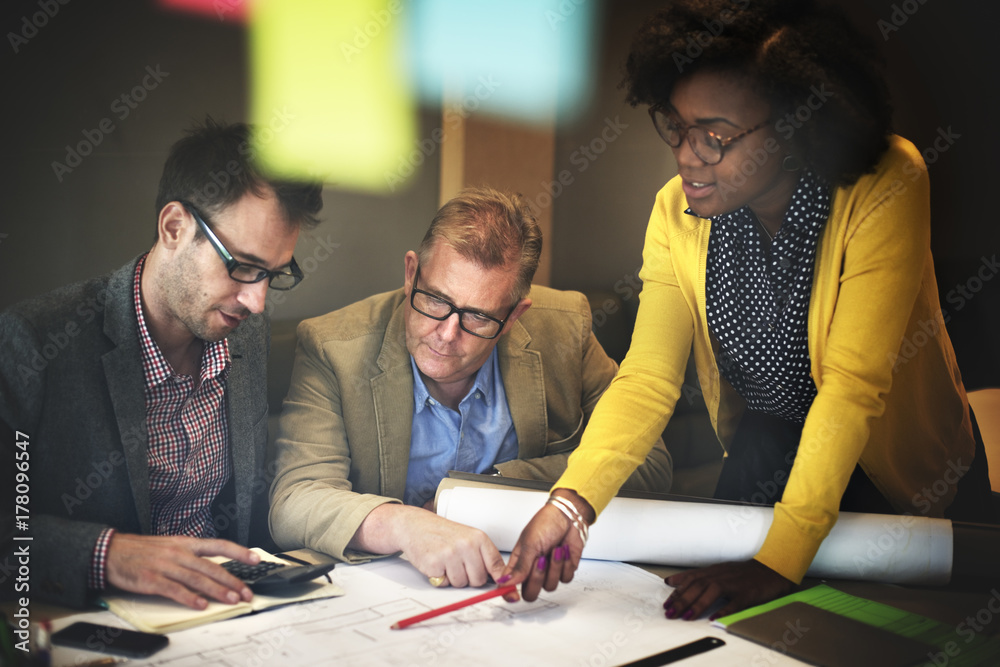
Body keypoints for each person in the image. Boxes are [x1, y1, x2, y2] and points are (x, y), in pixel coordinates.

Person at [500, 0, 993, 619]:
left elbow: (851, 387)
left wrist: (779, 560)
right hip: (767, 453)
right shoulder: (675, 210)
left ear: (795, 128)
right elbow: (649, 378)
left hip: (895, 465)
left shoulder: (888, 180)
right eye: (675, 126)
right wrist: (571, 503)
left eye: (716, 137)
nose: (686, 155)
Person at [269, 187, 673, 588]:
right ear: (411, 274)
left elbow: (650, 462)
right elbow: (295, 500)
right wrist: (407, 525)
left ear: (515, 314)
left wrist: (480, 494)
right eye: (434, 300)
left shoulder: (566, 328)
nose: (446, 334)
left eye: (478, 317)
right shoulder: (332, 348)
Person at [0, 119, 324, 609]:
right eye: (242, 266)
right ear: (174, 227)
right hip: (92, 625)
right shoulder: (36, 342)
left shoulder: (246, 336)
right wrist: (106, 555)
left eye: (274, 275)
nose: (258, 302)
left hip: (232, 614)